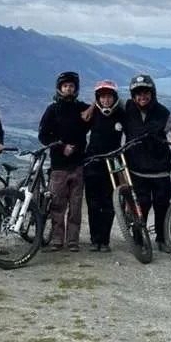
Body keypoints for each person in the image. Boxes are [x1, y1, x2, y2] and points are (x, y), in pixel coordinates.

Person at [122, 73, 171, 252]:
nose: (142, 96)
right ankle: (138, 238)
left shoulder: (162, 112)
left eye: (146, 92)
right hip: (136, 168)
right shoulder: (127, 108)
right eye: (138, 93)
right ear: (132, 95)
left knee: (162, 205)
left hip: (160, 168)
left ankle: (162, 239)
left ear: (152, 93)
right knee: (142, 204)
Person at [38, 71, 91, 252]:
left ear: (76, 89)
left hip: (78, 164)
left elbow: (99, 113)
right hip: (59, 166)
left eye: (71, 86)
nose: (68, 89)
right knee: (58, 205)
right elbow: (43, 136)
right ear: (60, 89)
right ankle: (57, 240)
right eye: (65, 86)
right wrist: (61, 147)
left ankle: (73, 241)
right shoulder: (52, 110)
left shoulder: (82, 108)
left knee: (75, 207)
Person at [83, 80, 124, 252]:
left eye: (109, 96)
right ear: (97, 99)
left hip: (113, 163)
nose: (106, 100)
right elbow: (79, 124)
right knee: (93, 203)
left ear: (114, 98)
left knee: (109, 203)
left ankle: (105, 241)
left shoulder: (122, 114)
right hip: (93, 163)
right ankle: (95, 240)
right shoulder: (93, 115)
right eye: (102, 97)